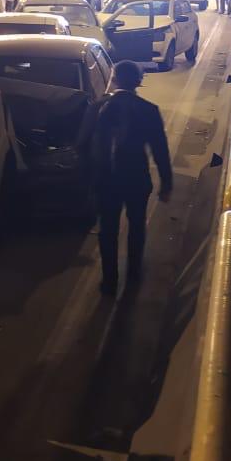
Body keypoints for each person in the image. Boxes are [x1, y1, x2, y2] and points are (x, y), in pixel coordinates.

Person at [89, 60, 172, 295]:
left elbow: (85, 144)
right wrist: (166, 182)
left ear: (114, 78)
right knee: (137, 226)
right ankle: (134, 274)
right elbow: (160, 149)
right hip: (137, 178)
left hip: (107, 180)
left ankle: (109, 281)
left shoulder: (99, 107)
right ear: (139, 81)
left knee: (107, 231)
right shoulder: (149, 110)